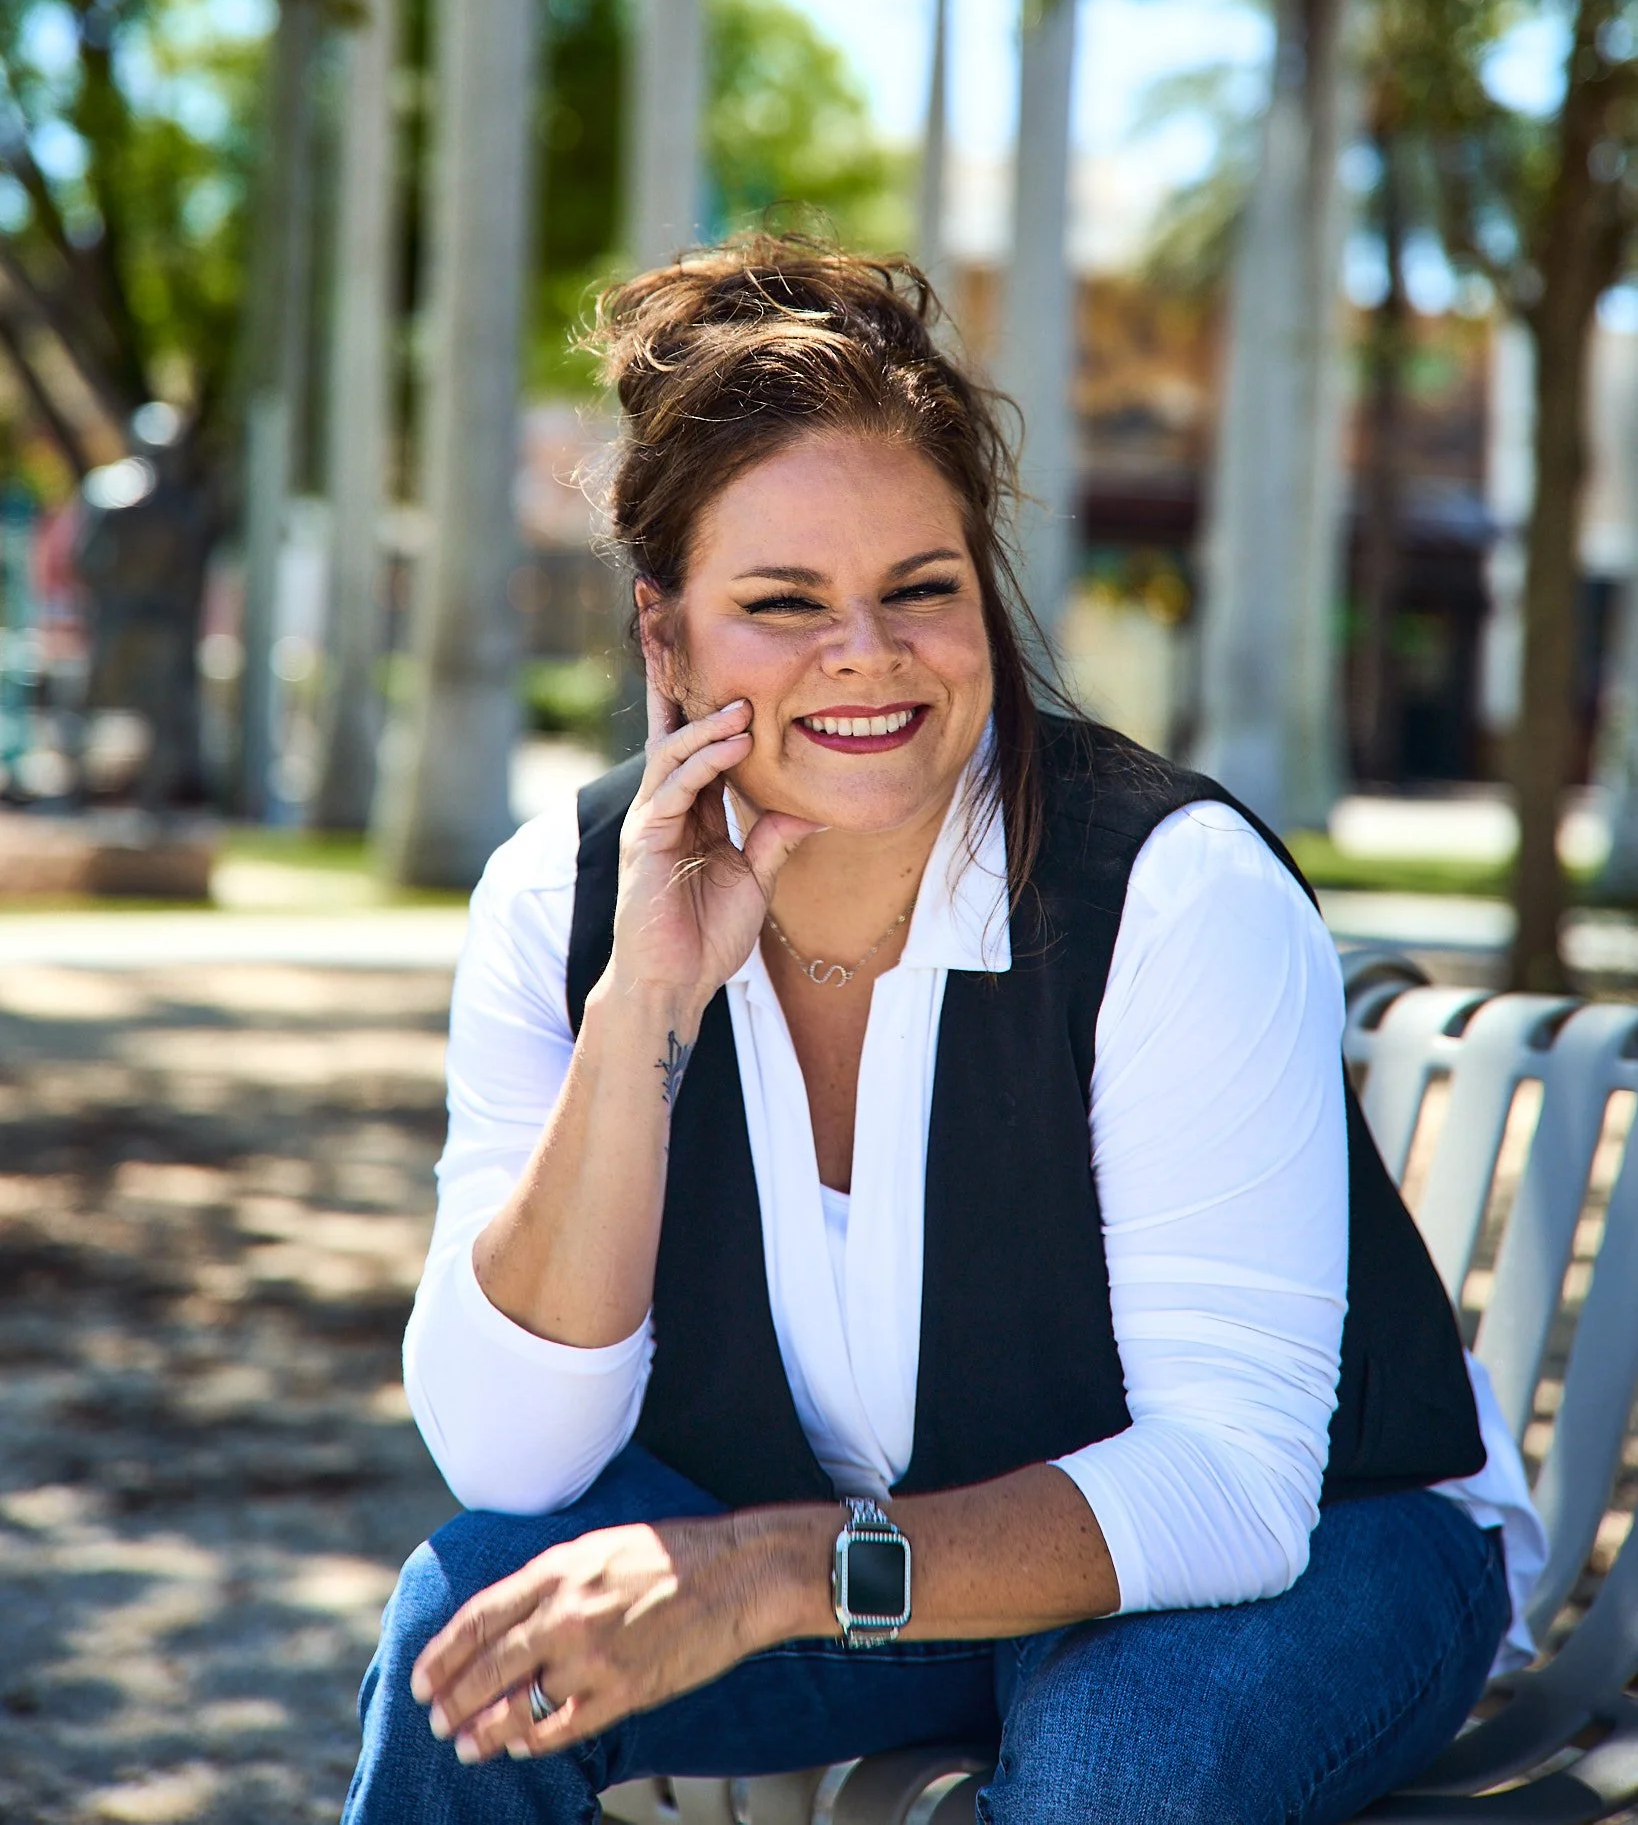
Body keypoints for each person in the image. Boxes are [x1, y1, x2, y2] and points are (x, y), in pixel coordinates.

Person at [344, 238, 1543, 1825]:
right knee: (470, 1644)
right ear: (663, 638)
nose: (865, 653)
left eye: (922, 587)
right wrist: (647, 1001)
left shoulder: (1167, 892)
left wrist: (769, 1571)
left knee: (1122, 1758)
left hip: (1322, 1546)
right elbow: (514, 1462)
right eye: (780, 603)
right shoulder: (560, 904)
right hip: (872, 1573)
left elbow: (1234, 1491)